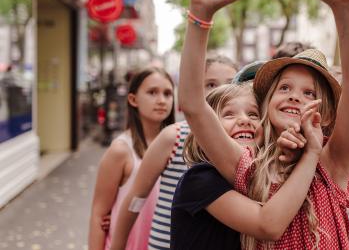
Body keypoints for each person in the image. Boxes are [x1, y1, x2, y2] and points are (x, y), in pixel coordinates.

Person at [178, 0, 349, 249]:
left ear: (327, 115)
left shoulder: (332, 161)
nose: (295, 96)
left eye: (310, 94)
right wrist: (200, 14)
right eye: (284, 88)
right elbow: (193, 104)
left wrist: (345, 7)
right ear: (265, 103)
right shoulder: (247, 165)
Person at [171, 83, 323, 249]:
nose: (244, 120)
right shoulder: (201, 178)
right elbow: (268, 226)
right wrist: (312, 153)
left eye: (253, 114)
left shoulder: (259, 176)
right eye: (228, 114)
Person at [110, 56, 239, 250]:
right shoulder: (174, 136)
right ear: (195, 89)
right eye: (210, 84)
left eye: (230, 84)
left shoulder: (244, 140)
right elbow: (136, 197)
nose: (220, 91)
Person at [88, 67, 175, 250]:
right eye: (152, 92)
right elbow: (98, 214)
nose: (161, 100)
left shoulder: (180, 146)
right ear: (133, 99)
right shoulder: (121, 150)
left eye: (168, 94)